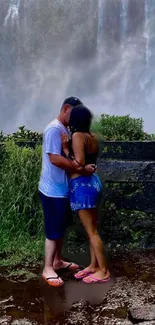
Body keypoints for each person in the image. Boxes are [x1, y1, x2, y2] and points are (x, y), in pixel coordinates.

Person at [38, 97, 96, 287]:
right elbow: (55, 159)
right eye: (73, 113)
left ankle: (57, 261)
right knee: (53, 229)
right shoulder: (54, 129)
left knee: (60, 226)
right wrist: (81, 168)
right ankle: (48, 268)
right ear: (65, 108)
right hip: (53, 189)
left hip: (62, 188)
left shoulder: (65, 129)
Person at [62, 105, 110, 284]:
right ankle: (93, 265)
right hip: (93, 184)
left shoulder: (77, 136)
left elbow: (79, 163)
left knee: (92, 231)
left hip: (82, 186)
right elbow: (88, 163)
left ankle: (103, 271)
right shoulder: (93, 137)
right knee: (93, 229)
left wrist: (66, 150)